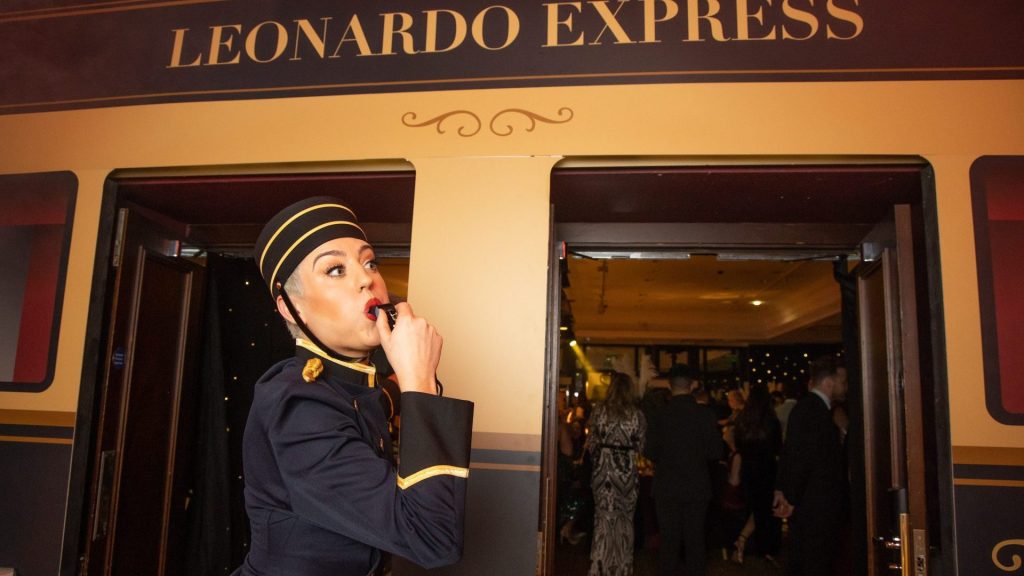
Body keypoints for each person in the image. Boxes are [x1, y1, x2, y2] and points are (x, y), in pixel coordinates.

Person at [234, 197, 474, 576]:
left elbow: (375, 402)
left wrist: (403, 386)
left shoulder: (344, 385)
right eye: (334, 270)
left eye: (369, 262)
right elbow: (432, 539)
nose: (367, 279)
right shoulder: (298, 405)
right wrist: (420, 382)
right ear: (288, 307)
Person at [644, 364, 723, 576]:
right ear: (692, 386)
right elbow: (716, 452)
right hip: (697, 485)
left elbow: (649, 451)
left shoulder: (660, 415)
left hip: (666, 486)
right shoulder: (705, 415)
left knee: (668, 541)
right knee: (695, 540)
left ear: (670, 386)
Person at [773, 356, 846, 576]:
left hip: (810, 503)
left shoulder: (809, 409)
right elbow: (801, 458)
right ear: (829, 383)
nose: (845, 387)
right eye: (842, 382)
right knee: (814, 561)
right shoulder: (814, 411)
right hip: (814, 505)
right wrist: (791, 497)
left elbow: (791, 453)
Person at [585, 372, 646, 575]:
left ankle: (599, 568)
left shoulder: (598, 412)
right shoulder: (637, 415)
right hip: (627, 476)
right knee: (625, 523)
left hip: (604, 474)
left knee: (603, 521)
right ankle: (622, 569)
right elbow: (641, 447)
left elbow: (591, 444)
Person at [732, 382, 783, 565]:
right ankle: (766, 548)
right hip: (767, 468)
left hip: (748, 467)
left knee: (753, 507)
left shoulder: (742, 420)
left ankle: (747, 542)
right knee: (767, 510)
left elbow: (738, 443)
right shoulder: (771, 421)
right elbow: (778, 446)